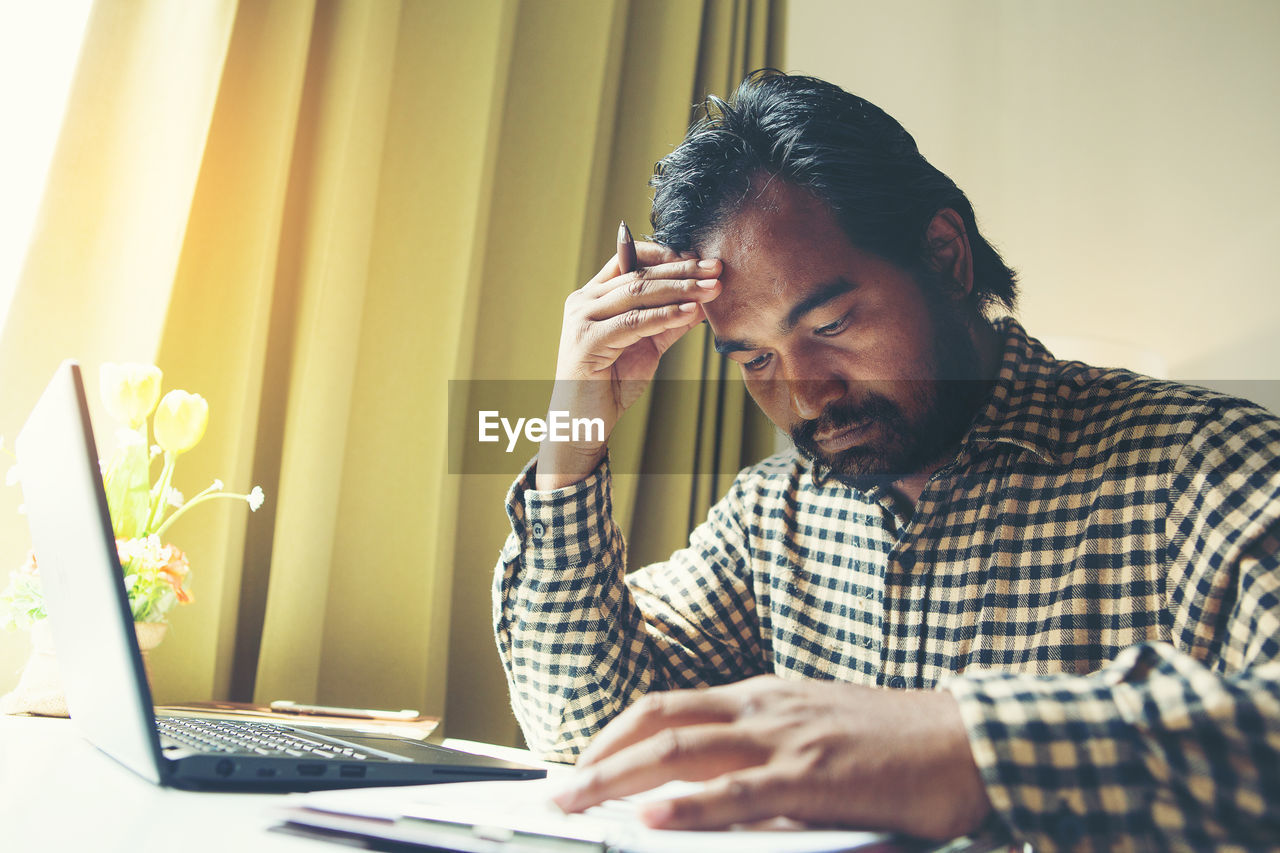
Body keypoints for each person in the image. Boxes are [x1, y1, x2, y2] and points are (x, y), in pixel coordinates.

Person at [492, 70, 1280, 850]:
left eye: (831, 324)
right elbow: (581, 725)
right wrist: (573, 431)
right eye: (755, 361)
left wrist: (967, 745)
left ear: (945, 255)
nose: (805, 395)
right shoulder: (774, 515)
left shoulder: (1209, 469)